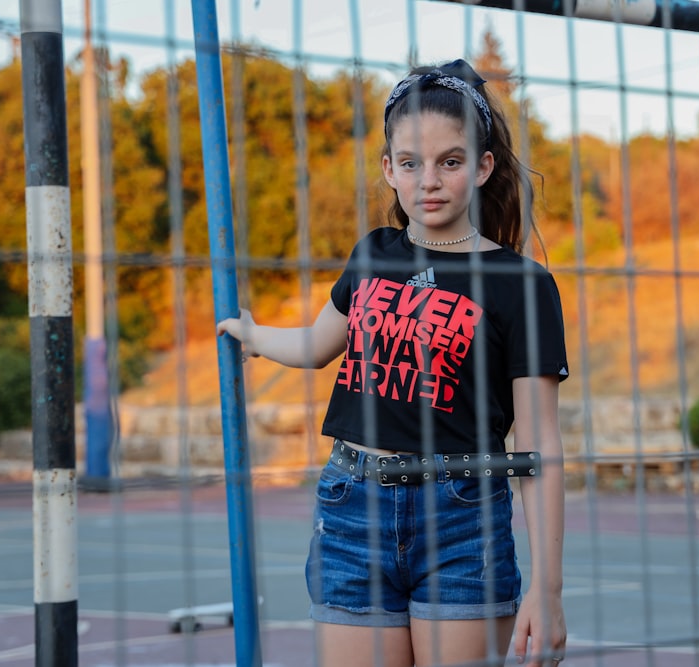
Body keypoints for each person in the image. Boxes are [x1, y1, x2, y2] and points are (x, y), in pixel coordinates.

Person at [217, 59, 568, 667]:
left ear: (483, 167)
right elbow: (318, 345)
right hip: (352, 507)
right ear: (389, 168)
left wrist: (549, 586)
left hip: (462, 515)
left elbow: (537, 443)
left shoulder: (521, 284)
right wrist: (253, 334)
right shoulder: (373, 254)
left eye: (450, 162)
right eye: (410, 163)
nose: (428, 181)